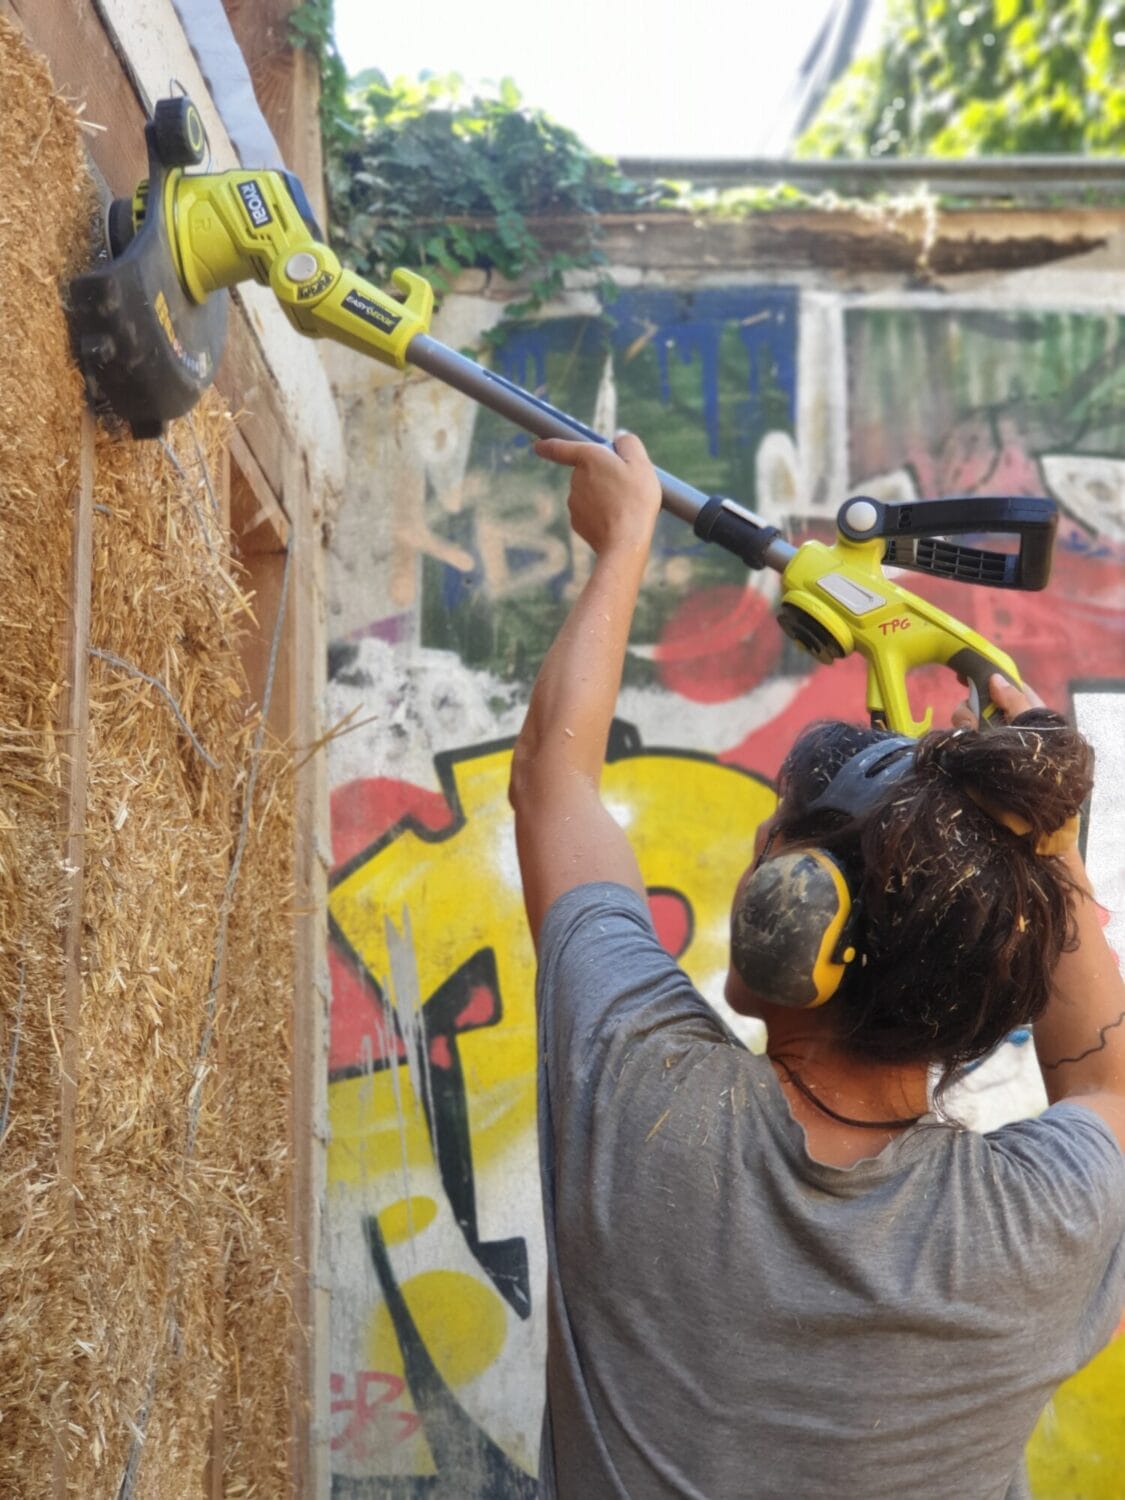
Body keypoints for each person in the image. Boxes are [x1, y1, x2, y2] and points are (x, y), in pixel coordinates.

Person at [508, 432, 1125, 1500]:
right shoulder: (1042, 1227)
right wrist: (1048, 844)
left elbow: (552, 783)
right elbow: (1106, 1077)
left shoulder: (640, 1094)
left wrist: (622, 543)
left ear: (794, 918)